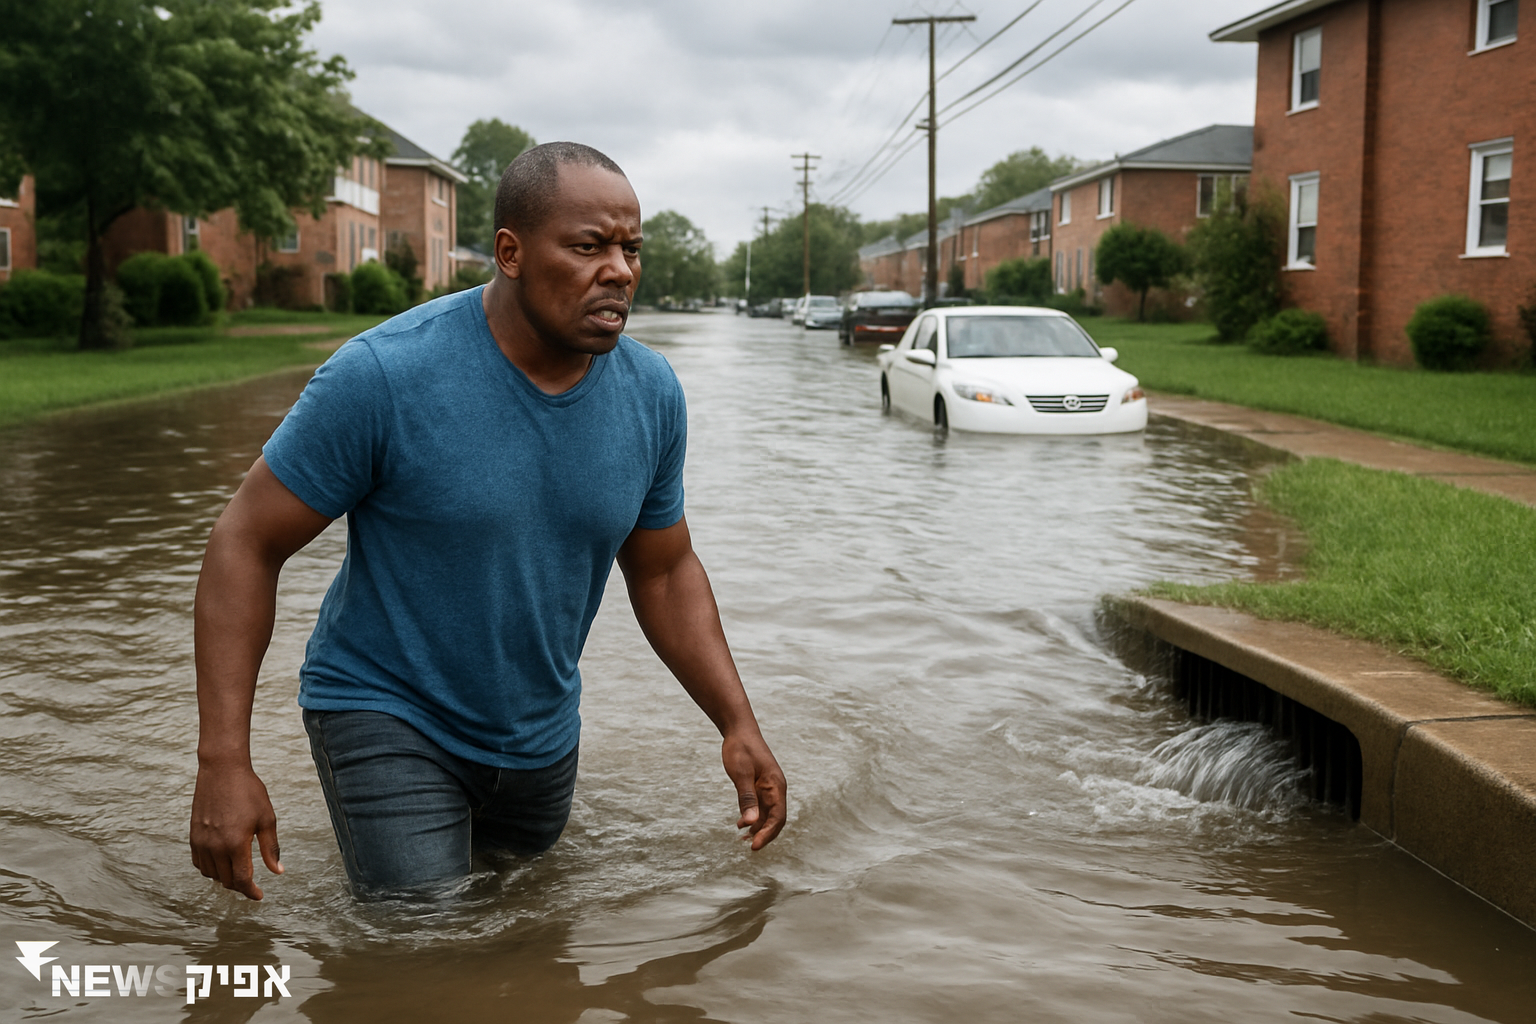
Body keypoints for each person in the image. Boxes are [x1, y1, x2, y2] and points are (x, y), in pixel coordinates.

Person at [189, 142, 787, 900]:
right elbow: (244, 541)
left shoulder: (651, 393)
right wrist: (224, 763)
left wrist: (737, 721)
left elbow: (665, 571)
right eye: (589, 246)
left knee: (523, 943)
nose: (621, 271)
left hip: (540, 737)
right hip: (386, 713)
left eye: (631, 248)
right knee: (425, 945)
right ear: (510, 251)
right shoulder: (385, 376)